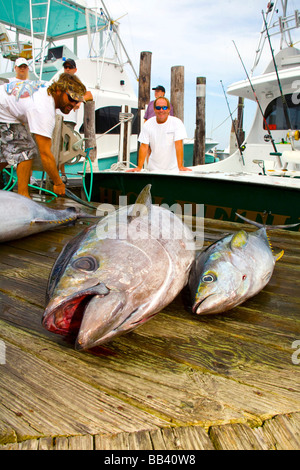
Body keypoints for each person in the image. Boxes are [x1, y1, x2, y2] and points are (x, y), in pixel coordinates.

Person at [0, 73, 86, 198]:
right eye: (71, 99)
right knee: (27, 150)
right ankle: (24, 199)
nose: (73, 104)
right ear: (58, 90)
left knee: (2, 158)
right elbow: (45, 154)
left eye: (77, 101)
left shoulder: (47, 89)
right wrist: (58, 183)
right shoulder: (44, 108)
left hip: (4, 108)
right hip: (3, 111)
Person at [127, 96, 191, 172]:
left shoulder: (177, 123)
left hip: (173, 169)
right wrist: (139, 167)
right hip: (153, 169)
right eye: (158, 108)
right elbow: (144, 146)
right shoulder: (148, 124)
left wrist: (180, 166)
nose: (161, 110)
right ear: (154, 109)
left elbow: (178, 144)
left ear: (168, 109)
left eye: (164, 108)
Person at [58, 58, 93, 181]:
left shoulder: (79, 82)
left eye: (70, 67)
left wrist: (79, 100)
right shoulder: (59, 81)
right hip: (57, 118)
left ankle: (62, 174)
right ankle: (60, 174)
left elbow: (89, 95)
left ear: (75, 69)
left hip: (69, 120)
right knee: (57, 146)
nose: (67, 69)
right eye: (65, 67)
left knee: (64, 147)